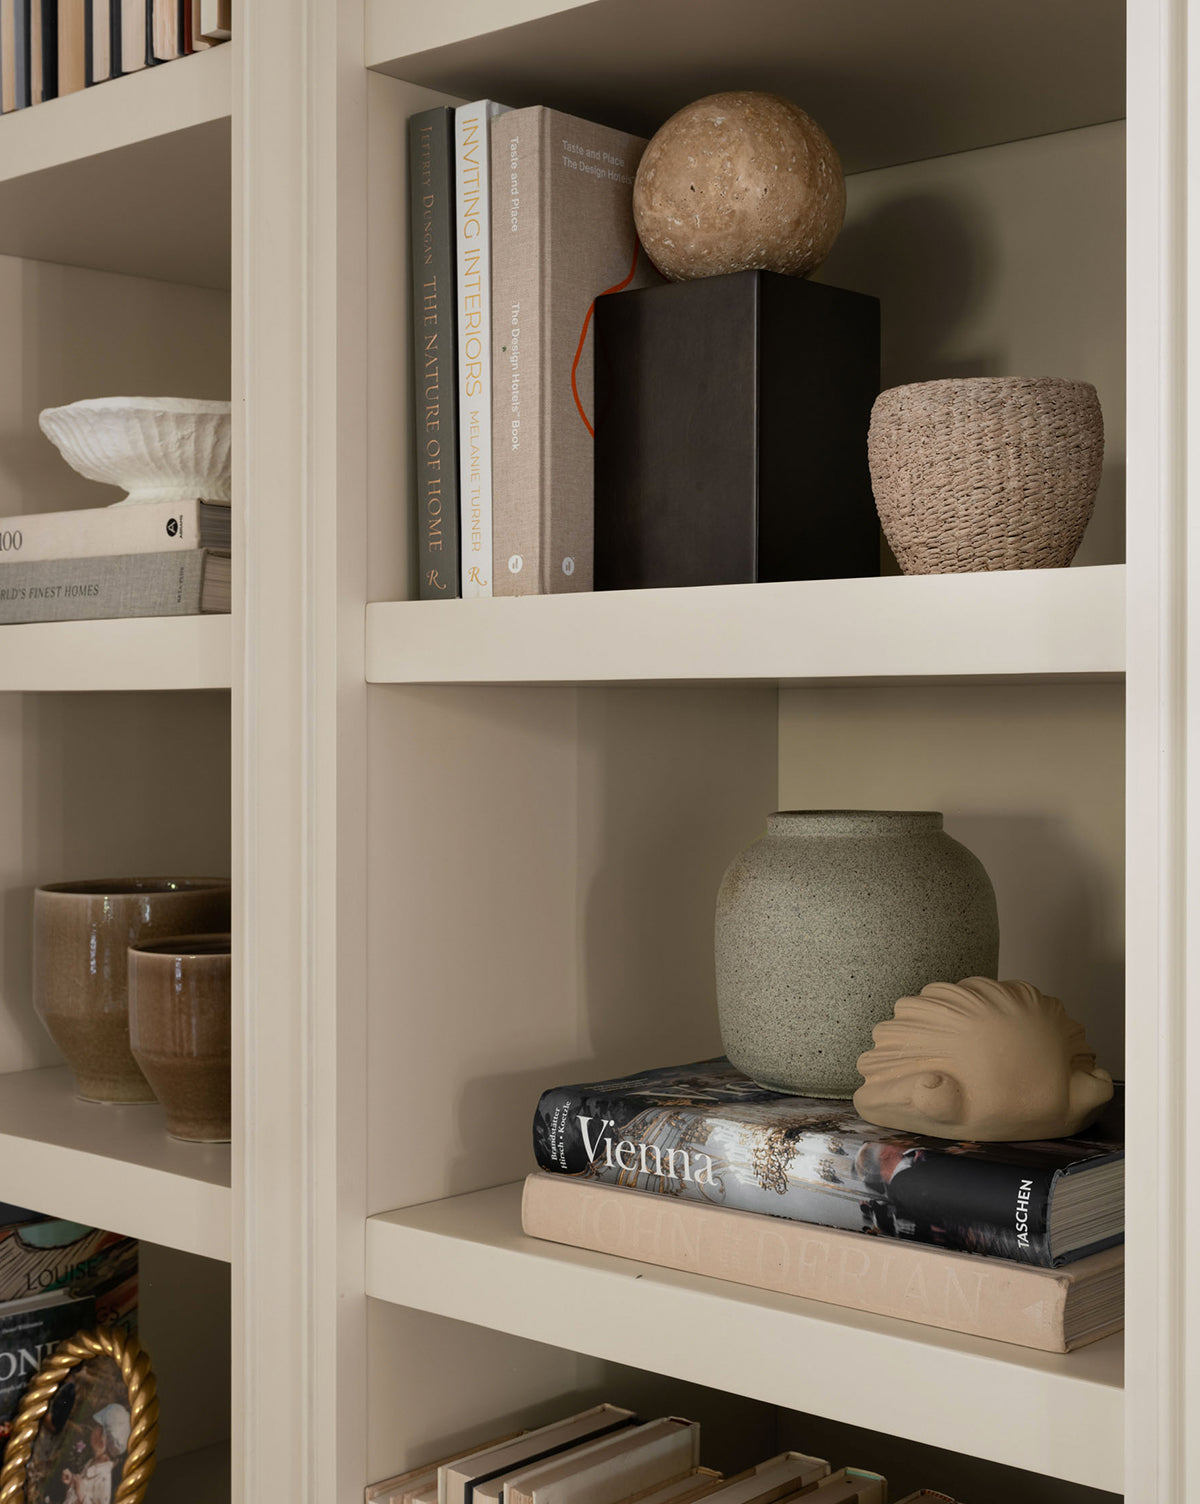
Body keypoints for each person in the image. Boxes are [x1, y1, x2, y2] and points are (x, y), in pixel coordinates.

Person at [61, 1404, 129, 1504]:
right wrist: (72, 1481)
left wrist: (82, 1495)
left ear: (102, 1440)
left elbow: (85, 1495)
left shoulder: (104, 1479)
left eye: (98, 1427)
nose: (94, 1429)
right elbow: (84, 1489)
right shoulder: (93, 1463)